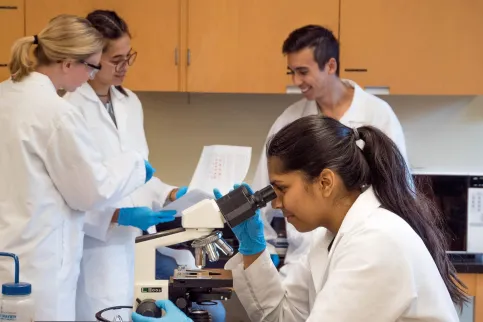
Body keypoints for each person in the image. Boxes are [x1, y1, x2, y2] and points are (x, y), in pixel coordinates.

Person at [132, 115, 468, 321]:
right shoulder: (328, 240)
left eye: (281, 189)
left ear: (324, 182)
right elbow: (282, 317)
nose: (275, 204)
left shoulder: (375, 243)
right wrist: (252, 250)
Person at [63, 10, 224, 322]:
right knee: (103, 311)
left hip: (138, 246)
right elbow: (68, 196)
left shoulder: (129, 103)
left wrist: (171, 193)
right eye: (116, 60)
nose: (125, 67)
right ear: (91, 58)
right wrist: (114, 216)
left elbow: (140, 174)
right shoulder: (69, 110)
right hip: (95, 253)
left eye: (129, 57)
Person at [0, 14, 158, 321]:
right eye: (90, 66)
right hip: (41, 269)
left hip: (10, 257)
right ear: (67, 62)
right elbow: (91, 192)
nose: (89, 76)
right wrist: (136, 165)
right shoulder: (56, 112)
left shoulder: (5, 96)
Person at [251, 24, 409, 277]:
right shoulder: (288, 120)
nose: (296, 81)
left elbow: (399, 190)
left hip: (362, 254)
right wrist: (263, 245)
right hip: (302, 260)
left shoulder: (378, 115)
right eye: (291, 72)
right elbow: (265, 190)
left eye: (303, 72)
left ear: (331, 66)